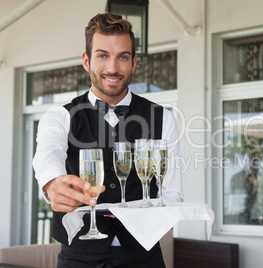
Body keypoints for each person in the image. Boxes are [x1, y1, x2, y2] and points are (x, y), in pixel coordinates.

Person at [32, 12, 183, 268]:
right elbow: (47, 155)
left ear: (134, 63)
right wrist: (51, 184)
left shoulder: (163, 118)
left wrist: (136, 216)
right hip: (77, 258)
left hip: (144, 258)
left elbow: (173, 195)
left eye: (122, 57)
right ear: (86, 61)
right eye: (102, 55)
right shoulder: (60, 116)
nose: (113, 68)